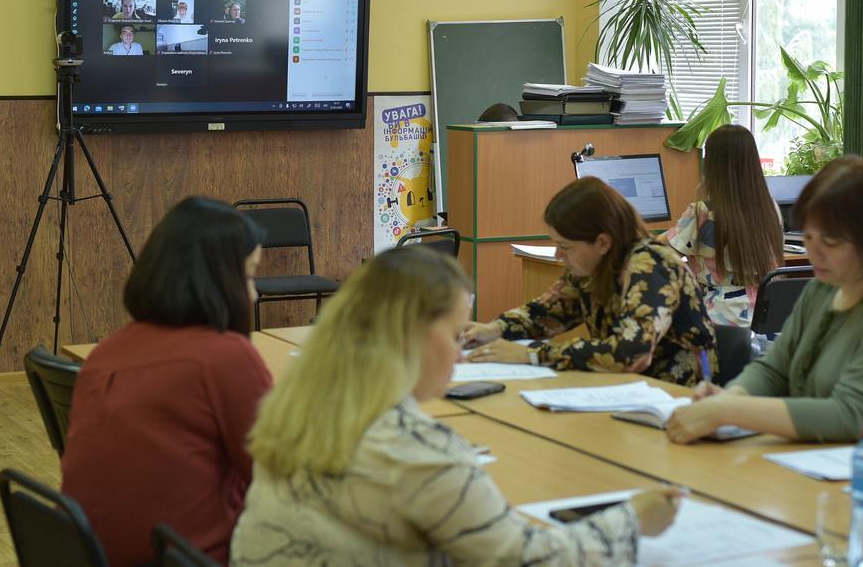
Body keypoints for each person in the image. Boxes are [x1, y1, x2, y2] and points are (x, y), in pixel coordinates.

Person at [231, 247, 681, 565]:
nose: (461, 356)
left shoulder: (299, 406)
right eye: (453, 335)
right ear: (412, 335)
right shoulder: (413, 451)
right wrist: (631, 520)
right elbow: (526, 559)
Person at [665, 156, 863, 444]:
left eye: (831, 241)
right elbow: (774, 370)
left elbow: (853, 415)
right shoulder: (823, 289)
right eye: (809, 238)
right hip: (820, 455)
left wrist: (729, 410)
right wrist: (729, 397)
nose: (815, 253)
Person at [62, 197, 273, 565]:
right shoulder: (224, 357)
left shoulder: (107, 351)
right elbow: (280, 480)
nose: (254, 294)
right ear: (217, 279)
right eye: (250, 275)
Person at [463, 176, 718, 385]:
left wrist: (533, 354)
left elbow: (632, 353)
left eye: (565, 246)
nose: (558, 255)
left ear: (602, 242)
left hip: (677, 399)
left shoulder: (651, 266)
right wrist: (493, 329)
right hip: (626, 391)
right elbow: (548, 312)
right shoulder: (597, 265)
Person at [661, 124, 783, 327]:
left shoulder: (703, 212)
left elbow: (660, 250)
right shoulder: (771, 207)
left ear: (711, 165)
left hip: (721, 320)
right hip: (766, 317)